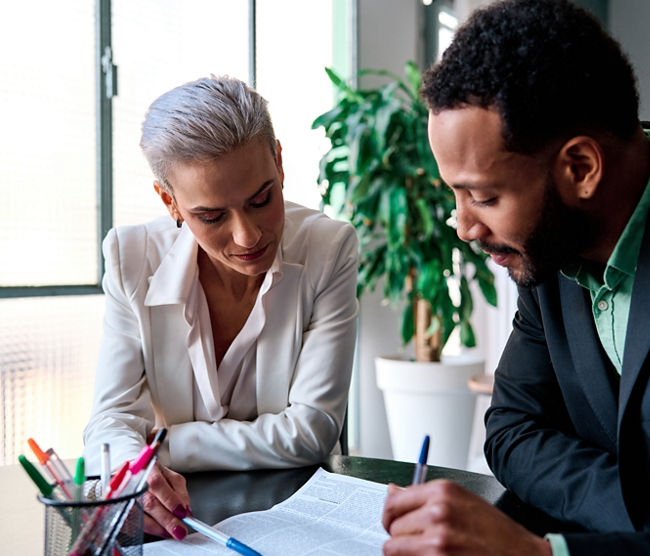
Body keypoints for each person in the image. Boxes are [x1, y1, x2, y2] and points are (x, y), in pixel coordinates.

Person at [382, 0, 650, 554]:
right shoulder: (551, 249)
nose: (463, 227)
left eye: (483, 196)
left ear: (580, 168)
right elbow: (512, 429)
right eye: (455, 195)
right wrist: (635, 508)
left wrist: (540, 552)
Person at [83, 75, 359, 540]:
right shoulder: (131, 258)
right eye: (211, 216)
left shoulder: (328, 248)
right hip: (183, 521)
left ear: (279, 162)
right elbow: (110, 422)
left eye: (261, 199)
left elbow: (313, 430)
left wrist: (163, 445)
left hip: (295, 517)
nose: (247, 236)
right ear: (170, 202)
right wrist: (139, 473)